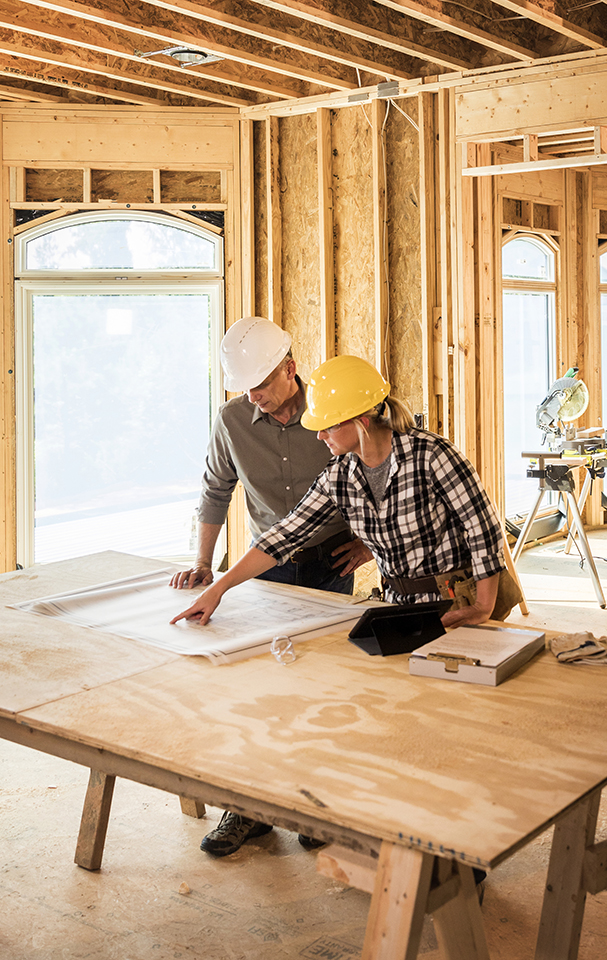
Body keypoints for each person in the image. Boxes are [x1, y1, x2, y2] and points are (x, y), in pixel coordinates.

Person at [171, 318, 371, 857]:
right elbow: (215, 490)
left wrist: (367, 546)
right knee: (256, 687)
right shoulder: (232, 420)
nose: (255, 396)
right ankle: (250, 808)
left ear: (290, 367)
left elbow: (378, 479)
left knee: (324, 686)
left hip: (331, 561)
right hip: (265, 565)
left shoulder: (330, 412)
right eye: (247, 388)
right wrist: (203, 564)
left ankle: (313, 804)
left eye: (262, 383)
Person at [171, 353, 510, 633]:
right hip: (397, 604)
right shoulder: (340, 476)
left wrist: (483, 605)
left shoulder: (431, 455)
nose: (319, 437)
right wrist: (218, 589)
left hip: (456, 600)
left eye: (328, 426)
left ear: (361, 421)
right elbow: (283, 536)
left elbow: (483, 529)